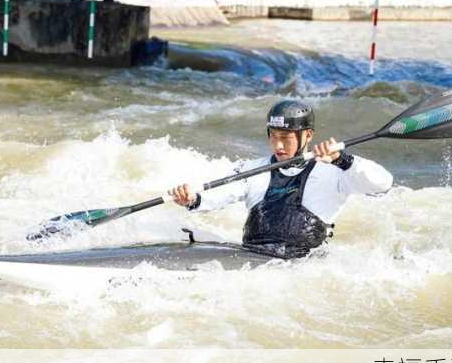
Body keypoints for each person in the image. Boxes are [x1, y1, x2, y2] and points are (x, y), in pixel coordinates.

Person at [168, 100, 393, 259]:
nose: (278, 145)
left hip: (304, 267)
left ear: (308, 135)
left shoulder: (333, 171)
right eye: (273, 137)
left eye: (285, 138)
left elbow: (383, 183)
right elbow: (222, 192)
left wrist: (342, 159)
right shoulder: (254, 169)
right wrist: (192, 198)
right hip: (255, 258)